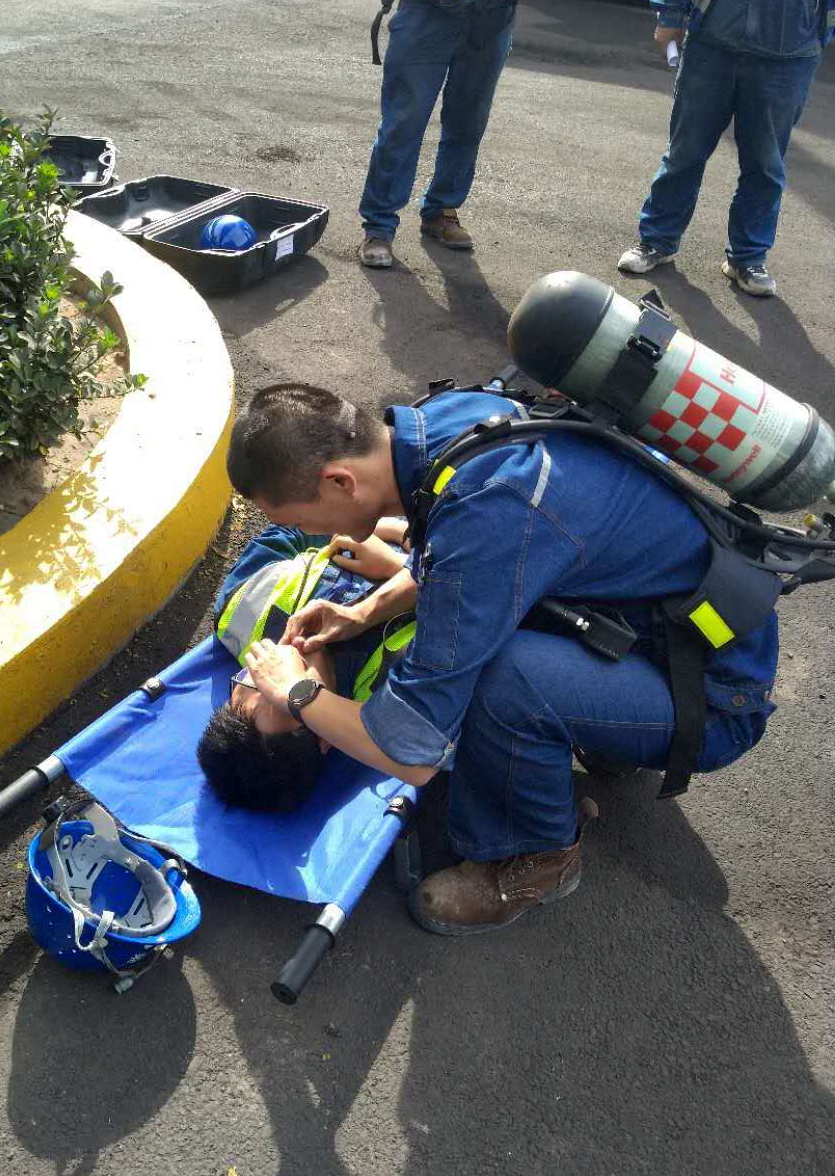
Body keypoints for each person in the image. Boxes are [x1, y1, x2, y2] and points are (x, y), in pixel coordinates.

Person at [223, 382, 779, 936]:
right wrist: (365, 611)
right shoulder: (442, 425)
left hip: (709, 696)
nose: (305, 535)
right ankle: (602, 726)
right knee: (492, 642)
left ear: (340, 481)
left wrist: (298, 694)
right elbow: (464, 558)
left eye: (299, 521)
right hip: (663, 630)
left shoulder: (489, 507)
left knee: (504, 681)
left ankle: (537, 855)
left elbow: (412, 748)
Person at [359, 0, 601, 269]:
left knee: (468, 119)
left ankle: (441, 211)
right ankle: (380, 225)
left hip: (493, 6)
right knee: (405, 117)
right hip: (428, 3)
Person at [618, 0, 835, 298]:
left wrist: (818, 30)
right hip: (714, 38)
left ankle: (747, 257)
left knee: (765, 163)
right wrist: (669, 12)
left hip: (788, 51)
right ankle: (657, 239)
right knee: (685, 151)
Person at [197, 520, 414, 812]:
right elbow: (474, 594)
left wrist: (363, 526)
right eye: (288, 697)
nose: (281, 662)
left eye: (257, 678)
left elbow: (291, 527)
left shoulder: (239, 611)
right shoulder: (398, 689)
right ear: (325, 737)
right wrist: (403, 559)